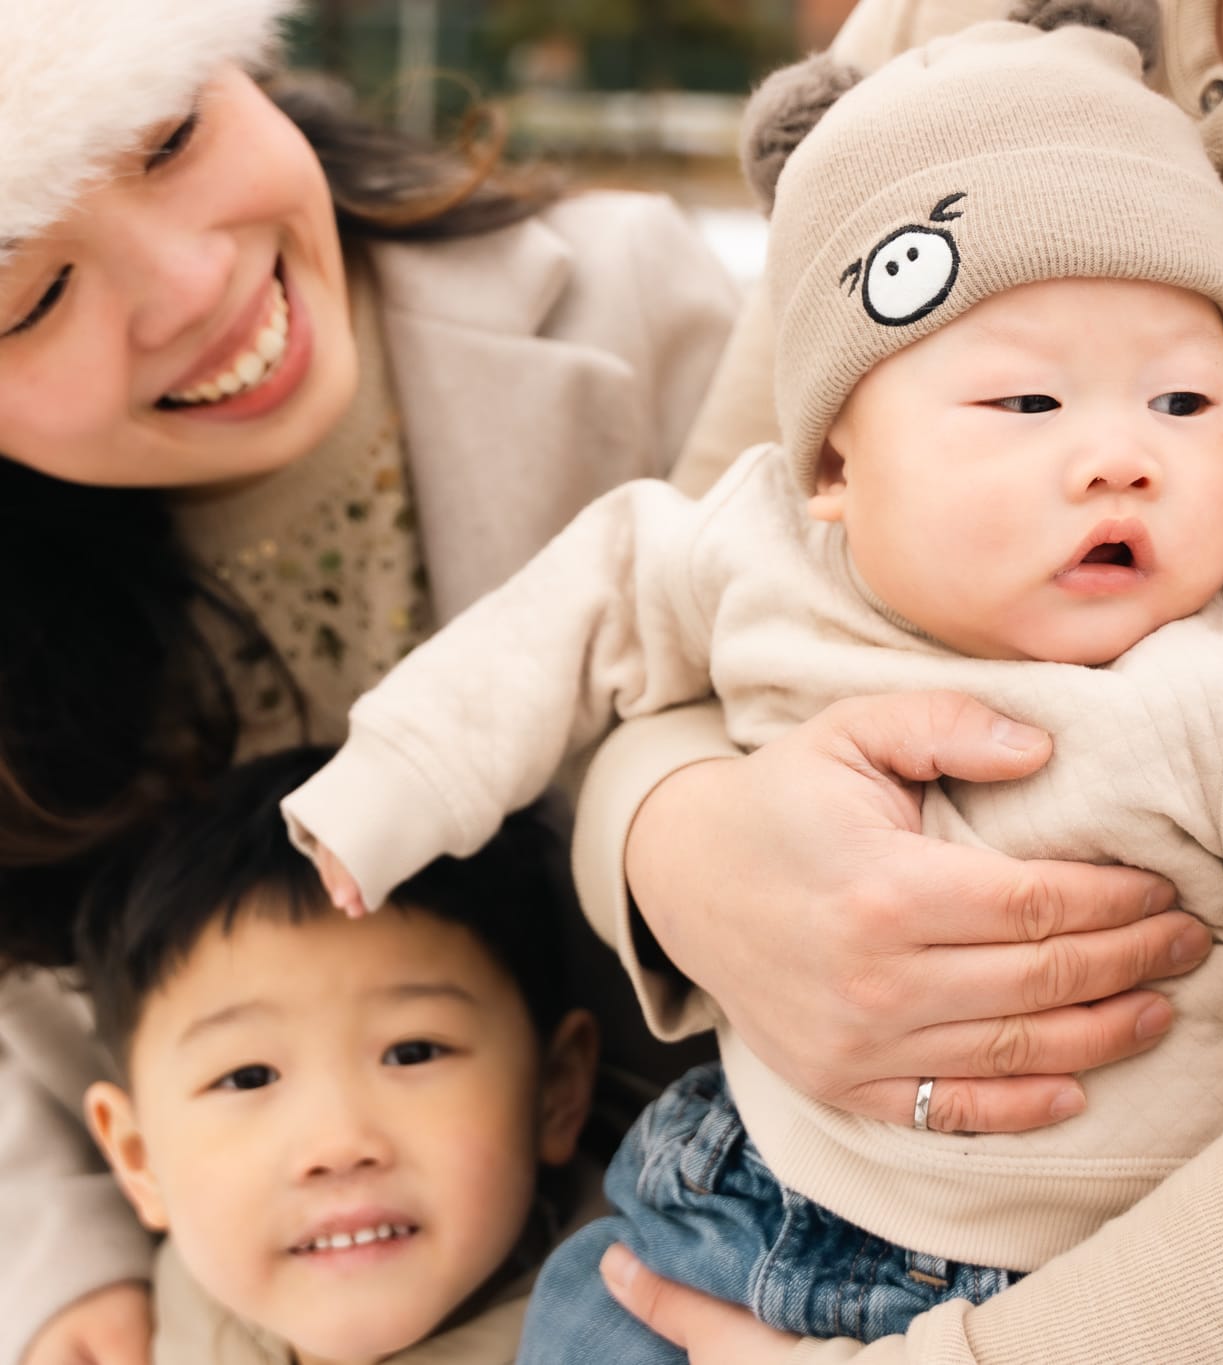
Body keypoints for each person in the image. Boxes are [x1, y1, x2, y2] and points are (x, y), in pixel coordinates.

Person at [277, 8, 1223, 1360]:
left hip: (1092, 1273)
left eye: (1186, 406)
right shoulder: (766, 539)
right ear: (838, 467)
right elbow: (581, 612)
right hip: (729, 1202)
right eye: (1028, 407)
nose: (1119, 457)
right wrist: (407, 785)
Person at [0, 1, 741, 1361]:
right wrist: (57, 1257)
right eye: (30, 296)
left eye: (172, 137)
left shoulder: (637, 309)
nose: (189, 283)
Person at [74, 746, 599, 1365]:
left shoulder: (648, 1324)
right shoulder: (156, 1318)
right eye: (247, 1078)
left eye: (411, 1053)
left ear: (555, 1092)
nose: (338, 1144)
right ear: (140, 1159)